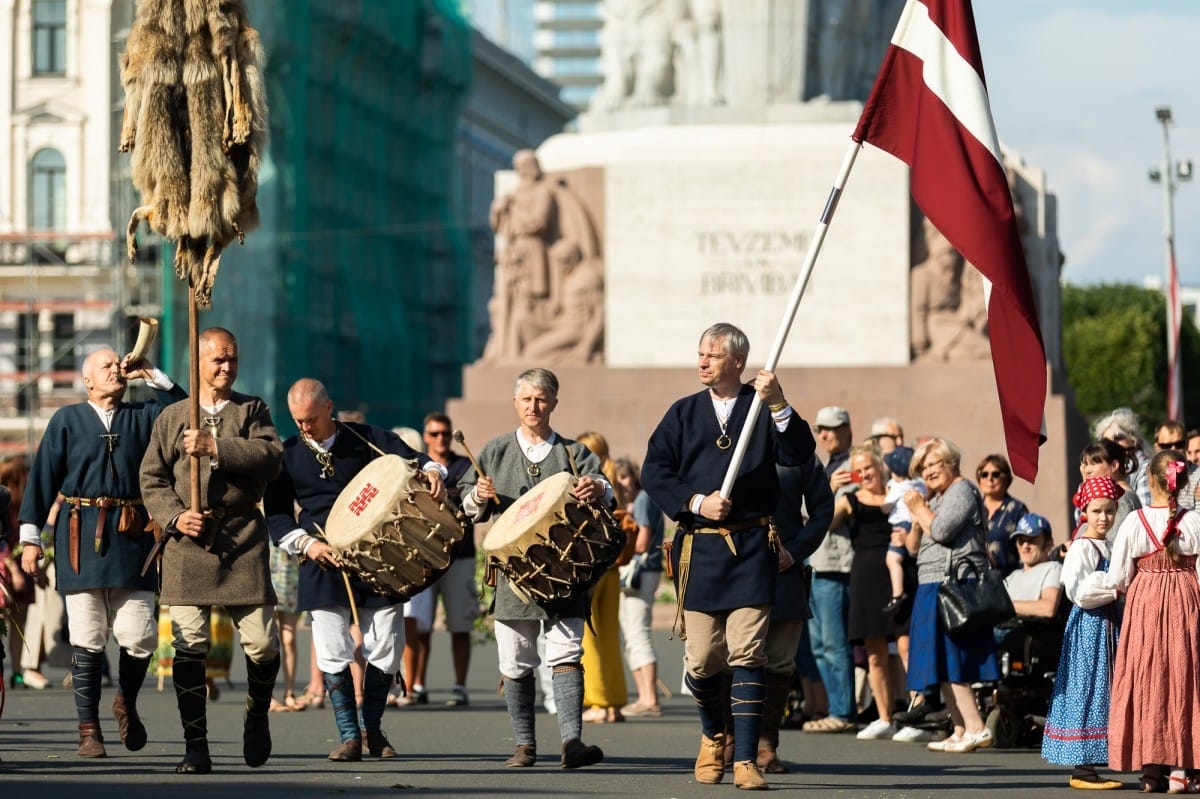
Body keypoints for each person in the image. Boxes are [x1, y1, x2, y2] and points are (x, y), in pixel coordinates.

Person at [641, 322, 816, 790]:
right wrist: (697, 503)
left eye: (712, 355)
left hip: (751, 549)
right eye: (700, 353)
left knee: (748, 654)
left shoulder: (760, 409)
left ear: (738, 361)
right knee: (701, 660)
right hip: (701, 549)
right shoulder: (682, 413)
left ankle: (745, 758)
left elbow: (799, 452)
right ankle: (711, 735)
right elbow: (654, 471)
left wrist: (778, 402)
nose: (702, 361)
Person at [263, 378, 446, 762]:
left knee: (387, 648)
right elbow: (277, 515)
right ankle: (349, 736)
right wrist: (307, 544)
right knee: (332, 650)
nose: (304, 428)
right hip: (322, 560)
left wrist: (433, 471)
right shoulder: (288, 453)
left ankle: (374, 731)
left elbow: (412, 457)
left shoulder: (366, 438)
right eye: (298, 420)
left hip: (381, 557)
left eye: (311, 419)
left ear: (329, 407)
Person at [18, 348, 185, 758]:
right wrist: (30, 539)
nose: (116, 370)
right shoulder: (67, 420)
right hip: (79, 537)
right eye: (107, 366)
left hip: (134, 536)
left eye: (119, 364)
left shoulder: (143, 414)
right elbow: (42, 480)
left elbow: (183, 411)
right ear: (88, 380)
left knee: (140, 633)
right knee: (88, 636)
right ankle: (88, 730)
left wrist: (150, 372)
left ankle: (125, 702)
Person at [140, 327, 283, 774]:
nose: (226, 367)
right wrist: (175, 516)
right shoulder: (173, 416)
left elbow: (271, 458)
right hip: (188, 543)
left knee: (262, 644)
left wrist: (216, 448)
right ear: (197, 362)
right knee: (190, 644)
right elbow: (152, 478)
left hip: (242, 538)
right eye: (218, 360)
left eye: (232, 359)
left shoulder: (252, 408)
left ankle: (256, 716)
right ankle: (195, 745)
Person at [459, 367, 609, 770]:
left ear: (554, 403)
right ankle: (525, 745)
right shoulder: (494, 451)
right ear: (515, 403)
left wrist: (598, 488)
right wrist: (478, 494)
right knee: (515, 661)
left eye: (541, 399)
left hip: (567, 575)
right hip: (515, 578)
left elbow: (604, 490)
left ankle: (571, 742)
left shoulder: (575, 453)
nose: (533, 406)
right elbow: (466, 506)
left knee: (566, 654)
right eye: (526, 399)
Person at [1089, 450, 1200, 792]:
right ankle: (1184, 769)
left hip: (1145, 602)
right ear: (1182, 483)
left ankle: (1152, 772)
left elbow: (1119, 576)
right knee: (1185, 678)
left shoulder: (1135, 521)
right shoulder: (1195, 521)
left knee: (1147, 678)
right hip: (1185, 598)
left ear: (1150, 480)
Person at [902, 437, 1000, 754]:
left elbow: (942, 532)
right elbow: (913, 548)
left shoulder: (961, 490)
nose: (928, 471)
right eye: (923, 467)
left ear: (951, 464)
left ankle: (976, 727)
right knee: (940, 664)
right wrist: (920, 512)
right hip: (931, 584)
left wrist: (919, 507)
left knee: (954, 661)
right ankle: (959, 728)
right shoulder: (939, 497)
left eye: (934, 464)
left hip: (952, 586)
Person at [1041, 476, 1124, 790]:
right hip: (1089, 626)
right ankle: (1083, 767)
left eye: (1110, 511)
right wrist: (1116, 587)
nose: (1104, 517)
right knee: (1087, 686)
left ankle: (1093, 759)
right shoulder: (1081, 547)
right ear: (1084, 511)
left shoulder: (1107, 544)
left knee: (1103, 687)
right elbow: (1079, 590)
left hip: (1107, 624)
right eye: (1097, 510)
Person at [755, 454, 834, 772]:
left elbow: (823, 509)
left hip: (782, 574)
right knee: (721, 661)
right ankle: (725, 739)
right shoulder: (726, 440)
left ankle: (766, 746)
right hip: (730, 572)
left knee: (779, 664)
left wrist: (796, 550)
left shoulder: (797, 454)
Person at [829, 446, 911, 743]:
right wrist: (831, 490)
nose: (863, 474)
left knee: (906, 649)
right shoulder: (849, 500)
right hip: (865, 577)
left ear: (880, 467)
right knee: (875, 655)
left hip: (899, 575)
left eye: (868, 468)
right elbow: (822, 523)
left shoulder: (898, 492)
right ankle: (885, 717)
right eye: (858, 469)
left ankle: (916, 716)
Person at [407, 412, 479, 708]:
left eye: (445, 434)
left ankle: (459, 686)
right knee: (418, 624)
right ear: (426, 436)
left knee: (460, 625)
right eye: (435, 434)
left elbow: (476, 504)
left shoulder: (465, 466)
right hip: (425, 556)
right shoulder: (416, 465)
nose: (441, 439)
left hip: (460, 556)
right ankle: (417, 685)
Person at [803, 405, 856, 735]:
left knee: (835, 644)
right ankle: (832, 707)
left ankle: (843, 710)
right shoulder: (827, 467)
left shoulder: (851, 467)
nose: (825, 434)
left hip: (836, 563)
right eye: (820, 429)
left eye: (832, 428)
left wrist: (828, 489)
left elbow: (831, 516)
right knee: (819, 644)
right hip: (816, 561)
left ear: (848, 430)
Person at [576, 430, 629, 725]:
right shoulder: (613, 486)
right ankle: (614, 702)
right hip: (612, 568)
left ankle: (598, 701)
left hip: (592, 567)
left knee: (590, 637)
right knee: (609, 637)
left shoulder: (590, 486)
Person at [614, 456, 667, 719]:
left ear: (634, 477)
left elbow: (642, 543)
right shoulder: (637, 502)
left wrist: (617, 549)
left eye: (625, 477)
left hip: (641, 570)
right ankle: (644, 696)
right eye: (618, 478)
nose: (622, 483)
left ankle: (649, 698)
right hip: (639, 572)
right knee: (632, 633)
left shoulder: (645, 499)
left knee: (638, 631)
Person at [976, 454, 1029, 576]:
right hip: (976, 582)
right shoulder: (973, 509)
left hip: (1007, 579)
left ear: (1006, 480)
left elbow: (1028, 543)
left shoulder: (1017, 510)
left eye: (995, 474)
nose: (989, 479)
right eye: (984, 474)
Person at [1003, 513, 1062, 619]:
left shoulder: (1052, 568)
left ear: (1049, 543)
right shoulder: (1012, 577)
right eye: (1021, 541)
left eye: (1032, 540)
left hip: (1031, 632)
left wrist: (1006, 606)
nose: (1025, 546)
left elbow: (1048, 608)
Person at [1093, 407, 1150, 506]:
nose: (1112, 444)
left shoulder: (1146, 468)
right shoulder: (1098, 469)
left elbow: (1145, 510)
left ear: (1133, 439)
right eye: (1106, 441)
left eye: (1118, 437)